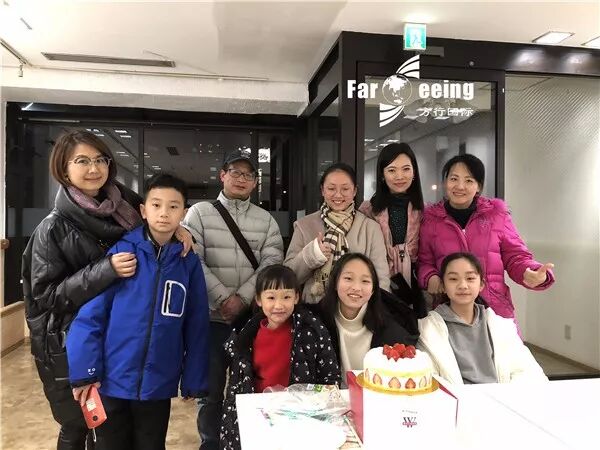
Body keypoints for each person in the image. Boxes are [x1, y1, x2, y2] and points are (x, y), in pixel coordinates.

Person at [21, 130, 192, 450]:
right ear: (63, 169)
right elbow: (46, 296)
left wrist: (177, 229)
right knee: (78, 424)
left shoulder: (125, 207)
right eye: (82, 161)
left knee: (112, 430)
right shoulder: (52, 228)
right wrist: (105, 270)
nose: (93, 168)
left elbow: (157, 218)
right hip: (70, 340)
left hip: (118, 341)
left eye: (100, 159)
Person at [66, 173, 209, 450]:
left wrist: (194, 377)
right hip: (112, 379)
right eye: (156, 205)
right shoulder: (122, 253)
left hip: (158, 383)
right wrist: (85, 370)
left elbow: (197, 323)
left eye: (173, 206)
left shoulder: (187, 262)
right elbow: (90, 316)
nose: (164, 213)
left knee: (151, 444)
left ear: (184, 213)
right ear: (143, 210)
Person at [183, 150, 284, 450]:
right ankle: (211, 444)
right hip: (210, 320)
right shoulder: (199, 213)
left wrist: (241, 299)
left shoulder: (266, 220)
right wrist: (223, 298)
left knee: (252, 388)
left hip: (251, 321)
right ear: (222, 175)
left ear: (255, 182)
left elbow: (272, 262)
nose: (242, 179)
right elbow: (192, 260)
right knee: (210, 393)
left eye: (248, 175)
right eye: (235, 172)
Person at [418, 153, 554, 323]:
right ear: (445, 182)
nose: (460, 186)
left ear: (479, 186)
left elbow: (516, 255)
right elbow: (424, 262)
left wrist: (530, 272)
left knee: (503, 342)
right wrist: (430, 276)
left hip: (495, 309)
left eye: (469, 180)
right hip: (449, 310)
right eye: (453, 179)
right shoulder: (431, 221)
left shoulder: (496, 216)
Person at [220, 264, 340, 450]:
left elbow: (329, 376)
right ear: (259, 299)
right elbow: (236, 386)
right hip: (259, 415)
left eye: (286, 297)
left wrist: (321, 413)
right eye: (271, 297)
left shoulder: (312, 331)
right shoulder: (246, 336)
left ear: (296, 297)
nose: (279, 305)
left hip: (300, 417)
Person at [418, 252, 548, 384]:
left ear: (481, 284)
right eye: (453, 279)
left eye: (470, 278)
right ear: (443, 285)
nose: (463, 285)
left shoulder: (502, 327)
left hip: (501, 395)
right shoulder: (428, 330)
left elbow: (528, 371)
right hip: (457, 397)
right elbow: (427, 378)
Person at [285, 163, 390, 303]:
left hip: (359, 308)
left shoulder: (370, 228)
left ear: (354, 191)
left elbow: (381, 279)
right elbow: (287, 276)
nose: (338, 195)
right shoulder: (304, 225)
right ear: (322, 190)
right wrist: (312, 254)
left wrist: (377, 309)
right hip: (315, 307)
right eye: (331, 188)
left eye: (345, 189)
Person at [318, 253, 418, 384]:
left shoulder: (390, 328)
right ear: (335, 283)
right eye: (348, 278)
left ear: (373, 290)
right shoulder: (316, 322)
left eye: (365, 281)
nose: (356, 287)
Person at [359, 143, 426, 317]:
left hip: (417, 286)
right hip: (377, 283)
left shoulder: (425, 212)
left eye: (406, 169)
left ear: (414, 172)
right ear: (382, 174)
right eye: (391, 170)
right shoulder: (367, 211)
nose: (399, 176)